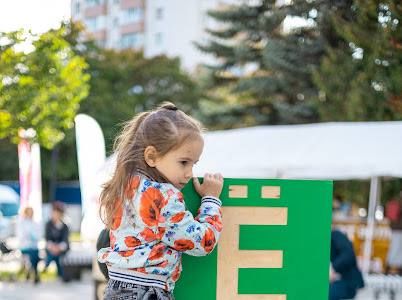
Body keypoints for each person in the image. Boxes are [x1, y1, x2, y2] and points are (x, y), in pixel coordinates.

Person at [98, 102, 224, 300]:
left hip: (115, 288)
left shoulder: (124, 187)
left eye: (194, 164)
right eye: (183, 162)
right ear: (151, 156)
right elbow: (202, 242)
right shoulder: (163, 196)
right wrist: (210, 200)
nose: (190, 173)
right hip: (147, 291)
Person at [329, 230, 364, 300]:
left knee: (328, 294)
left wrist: (332, 267)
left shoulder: (335, 235)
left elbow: (348, 254)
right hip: (337, 282)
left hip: (348, 282)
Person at [44, 201, 70, 279]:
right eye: (54, 213)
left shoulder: (64, 226)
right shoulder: (48, 225)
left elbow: (65, 240)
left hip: (61, 248)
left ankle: (47, 265)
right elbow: (47, 238)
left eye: (58, 213)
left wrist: (58, 248)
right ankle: (61, 274)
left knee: (56, 255)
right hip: (51, 247)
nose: (56, 215)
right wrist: (53, 247)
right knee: (53, 254)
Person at [17, 206, 41, 283]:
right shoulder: (21, 223)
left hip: (33, 247)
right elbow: (21, 236)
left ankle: (31, 272)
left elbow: (38, 236)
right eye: (28, 212)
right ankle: (35, 272)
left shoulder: (35, 223)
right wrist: (29, 235)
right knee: (32, 254)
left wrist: (31, 236)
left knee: (34, 253)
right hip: (25, 247)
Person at [385, 192, 402, 275]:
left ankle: (390, 268)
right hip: (398, 228)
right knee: (397, 249)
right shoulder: (399, 202)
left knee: (395, 248)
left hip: (395, 228)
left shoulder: (395, 201)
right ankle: (391, 268)